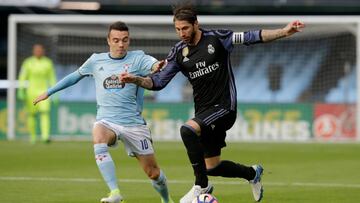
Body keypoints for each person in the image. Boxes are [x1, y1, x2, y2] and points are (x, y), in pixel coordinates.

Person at [120, 4, 305, 203]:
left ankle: (201, 185)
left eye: (185, 28)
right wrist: (136, 79)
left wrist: (284, 32)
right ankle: (252, 173)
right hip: (204, 112)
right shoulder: (179, 52)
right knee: (212, 167)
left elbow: (253, 36)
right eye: (178, 29)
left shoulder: (218, 38)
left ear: (196, 24)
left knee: (187, 130)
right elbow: (157, 82)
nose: (181, 33)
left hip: (225, 107)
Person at [33, 21, 174, 203]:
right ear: (108, 40)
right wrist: (49, 92)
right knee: (98, 136)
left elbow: (154, 65)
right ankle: (115, 192)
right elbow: (74, 77)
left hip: (133, 124)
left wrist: (158, 66)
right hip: (107, 121)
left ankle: (166, 199)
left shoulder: (137, 58)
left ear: (129, 40)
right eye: (116, 40)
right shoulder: (95, 60)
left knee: (153, 173)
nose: (120, 44)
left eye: (124, 40)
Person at [18, 43, 57, 144]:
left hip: (44, 92)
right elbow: (23, 76)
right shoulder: (28, 63)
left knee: (45, 113)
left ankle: (45, 137)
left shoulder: (48, 63)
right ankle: (33, 137)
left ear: (43, 51)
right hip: (31, 92)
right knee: (31, 115)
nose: (38, 52)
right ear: (33, 51)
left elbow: (52, 78)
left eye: (40, 50)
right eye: (36, 50)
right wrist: (21, 90)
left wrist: (55, 92)